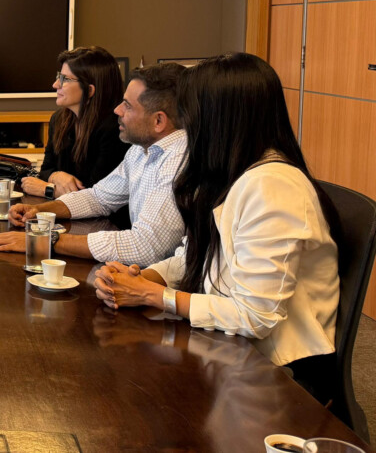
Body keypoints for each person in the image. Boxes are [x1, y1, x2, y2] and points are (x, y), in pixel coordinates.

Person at [94, 53, 339, 402]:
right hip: (227, 346)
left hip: (277, 374)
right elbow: (194, 256)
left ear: (218, 118)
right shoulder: (230, 173)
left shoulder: (273, 187)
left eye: (189, 115)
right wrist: (140, 279)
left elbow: (256, 316)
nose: (183, 127)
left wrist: (151, 295)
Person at [0, 63, 188, 266]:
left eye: (128, 105)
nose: (117, 110)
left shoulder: (177, 161)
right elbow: (99, 197)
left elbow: (145, 247)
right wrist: (38, 210)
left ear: (158, 121)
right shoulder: (141, 150)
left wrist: (45, 239)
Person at [20, 46, 129, 199]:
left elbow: (98, 196)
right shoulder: (58, 119)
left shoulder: (115, 129)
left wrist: (48, 189)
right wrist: (57, 175)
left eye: (65, 79)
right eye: (59, 76)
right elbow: (45, 170)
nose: (55, 84)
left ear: (89, 91)